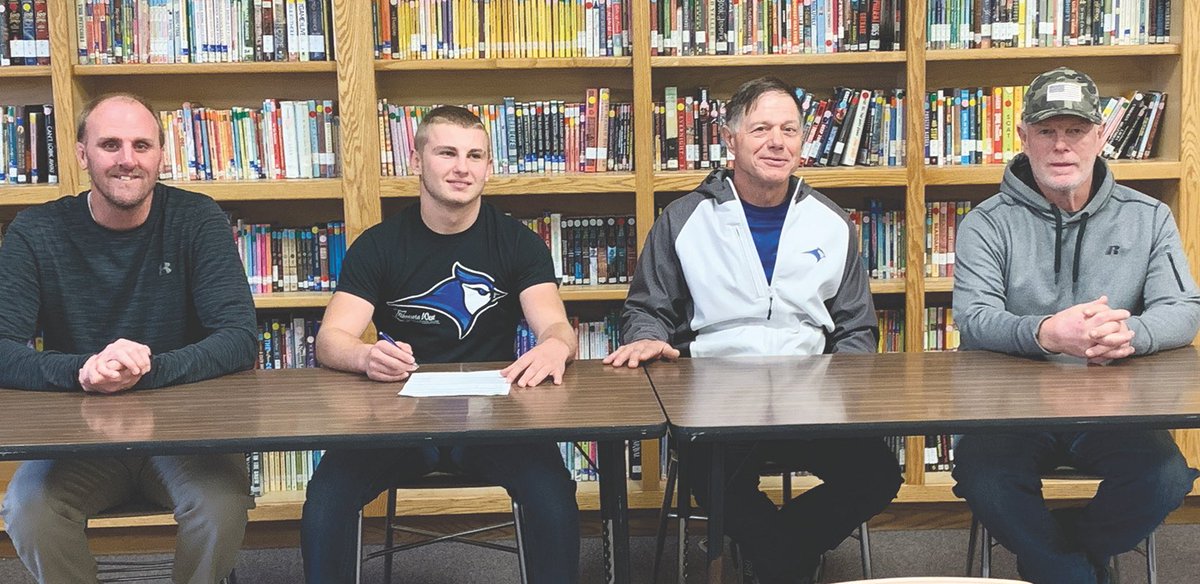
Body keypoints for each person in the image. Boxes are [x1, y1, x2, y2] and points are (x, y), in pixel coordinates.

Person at [603, 77, 902, 584]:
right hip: (716, 399)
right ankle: (787, 559)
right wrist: (649, 335)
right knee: (708, 472)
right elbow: (645, 308)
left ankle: (776, 553)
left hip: (811, 398)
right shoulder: (684, 218)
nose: (776, 141)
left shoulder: (832, 223)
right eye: (761, 128)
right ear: (730, 138)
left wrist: (842, 383)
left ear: (803, 143)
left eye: (789, 129)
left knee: (879, 474)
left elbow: (856, 327)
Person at [300, 105, 581, 583]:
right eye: (447, 152)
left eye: (475, 155)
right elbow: (331, 340)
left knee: (554, 497)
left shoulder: (517, 243)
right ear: (417, 161)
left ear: (488, 167)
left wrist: (557, 345)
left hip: (497, 419)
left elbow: (555, 326)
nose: (462, 167)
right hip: (397, 418)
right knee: (326, 499)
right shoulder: (380, 244)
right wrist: (366, 355)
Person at [952, 67, 1200, 584]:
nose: (1061, 146)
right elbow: (974, 320)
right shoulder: (986, 222)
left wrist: (1132, 335)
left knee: (1166, 477)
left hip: (1115, 408)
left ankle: (1055, 553)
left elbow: (1184, 308)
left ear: (1101, 136)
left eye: (1075, 131)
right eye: (1046, 132)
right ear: (1023, 138)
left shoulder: (1149, 217)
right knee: (985, 479)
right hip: (1008, 410)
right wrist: (1046, 334)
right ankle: (1074, 571)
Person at [0, 93, 259, 583]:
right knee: (29, 509)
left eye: (142, 145)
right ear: (81, 155)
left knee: (220, 505)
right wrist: (82, 370)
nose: (127, 159)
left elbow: (239, 337)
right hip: (75, 437)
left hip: (187, 434)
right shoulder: (36, 231)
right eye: (110, 144)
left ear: (161, 153)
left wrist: (147, 369)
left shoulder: (197, 219)